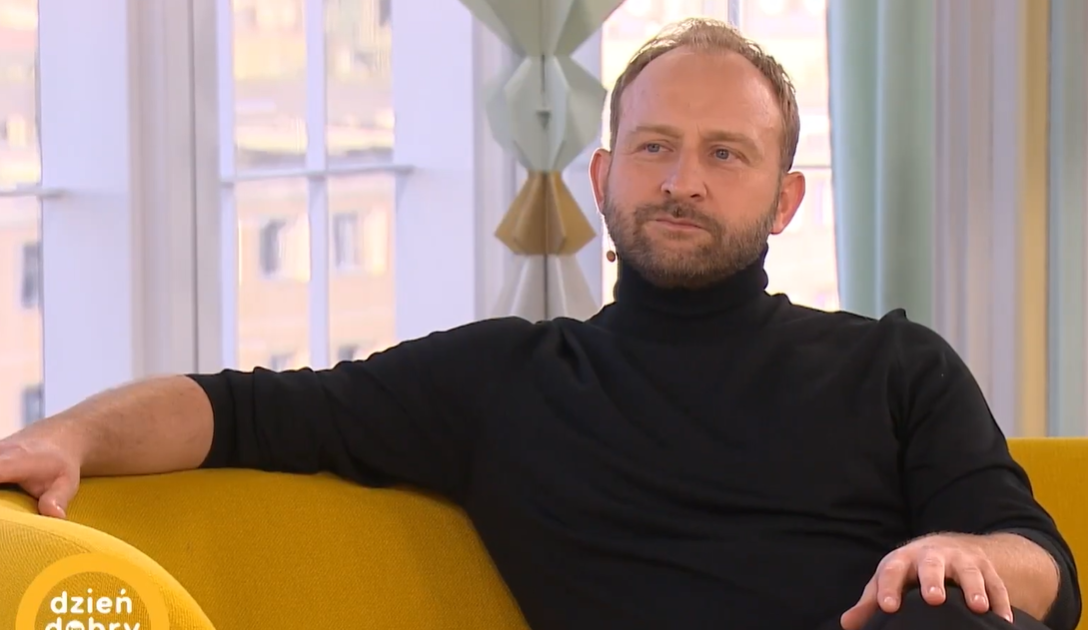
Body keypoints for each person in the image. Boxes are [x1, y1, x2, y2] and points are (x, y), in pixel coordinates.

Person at [0, 17, 1079, 630]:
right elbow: (242, 412)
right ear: (603, 176)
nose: (682, 181)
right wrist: (73, 435)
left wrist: (964, 551)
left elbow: (1045, 573)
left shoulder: (893, 365)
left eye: (725, 153)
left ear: (784, 199)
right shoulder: (503, 382)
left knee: (948, 607)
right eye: (654, 148)